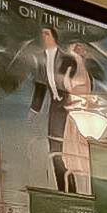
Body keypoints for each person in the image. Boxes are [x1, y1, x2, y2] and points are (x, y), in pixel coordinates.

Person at [28, 27, 75, 190]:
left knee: (67, 148)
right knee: (54, 148)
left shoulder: (67, 58)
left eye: (46, 33)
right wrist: (34, 110)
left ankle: (72, 189)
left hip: (69, 104)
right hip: (55, 106)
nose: (43, 36)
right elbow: (40, 87)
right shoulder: (40, 59)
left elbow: (74, 82)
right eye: (41, 33)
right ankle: (62, 188)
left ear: (54, 36)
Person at [60, 41, 96, 195]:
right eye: (77, 48)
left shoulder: (83, 69)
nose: (81, 50)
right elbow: (68, 86)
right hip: (76, 109)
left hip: (83, 110)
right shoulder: (72, 68)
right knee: (75, 139)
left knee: (81, 139)